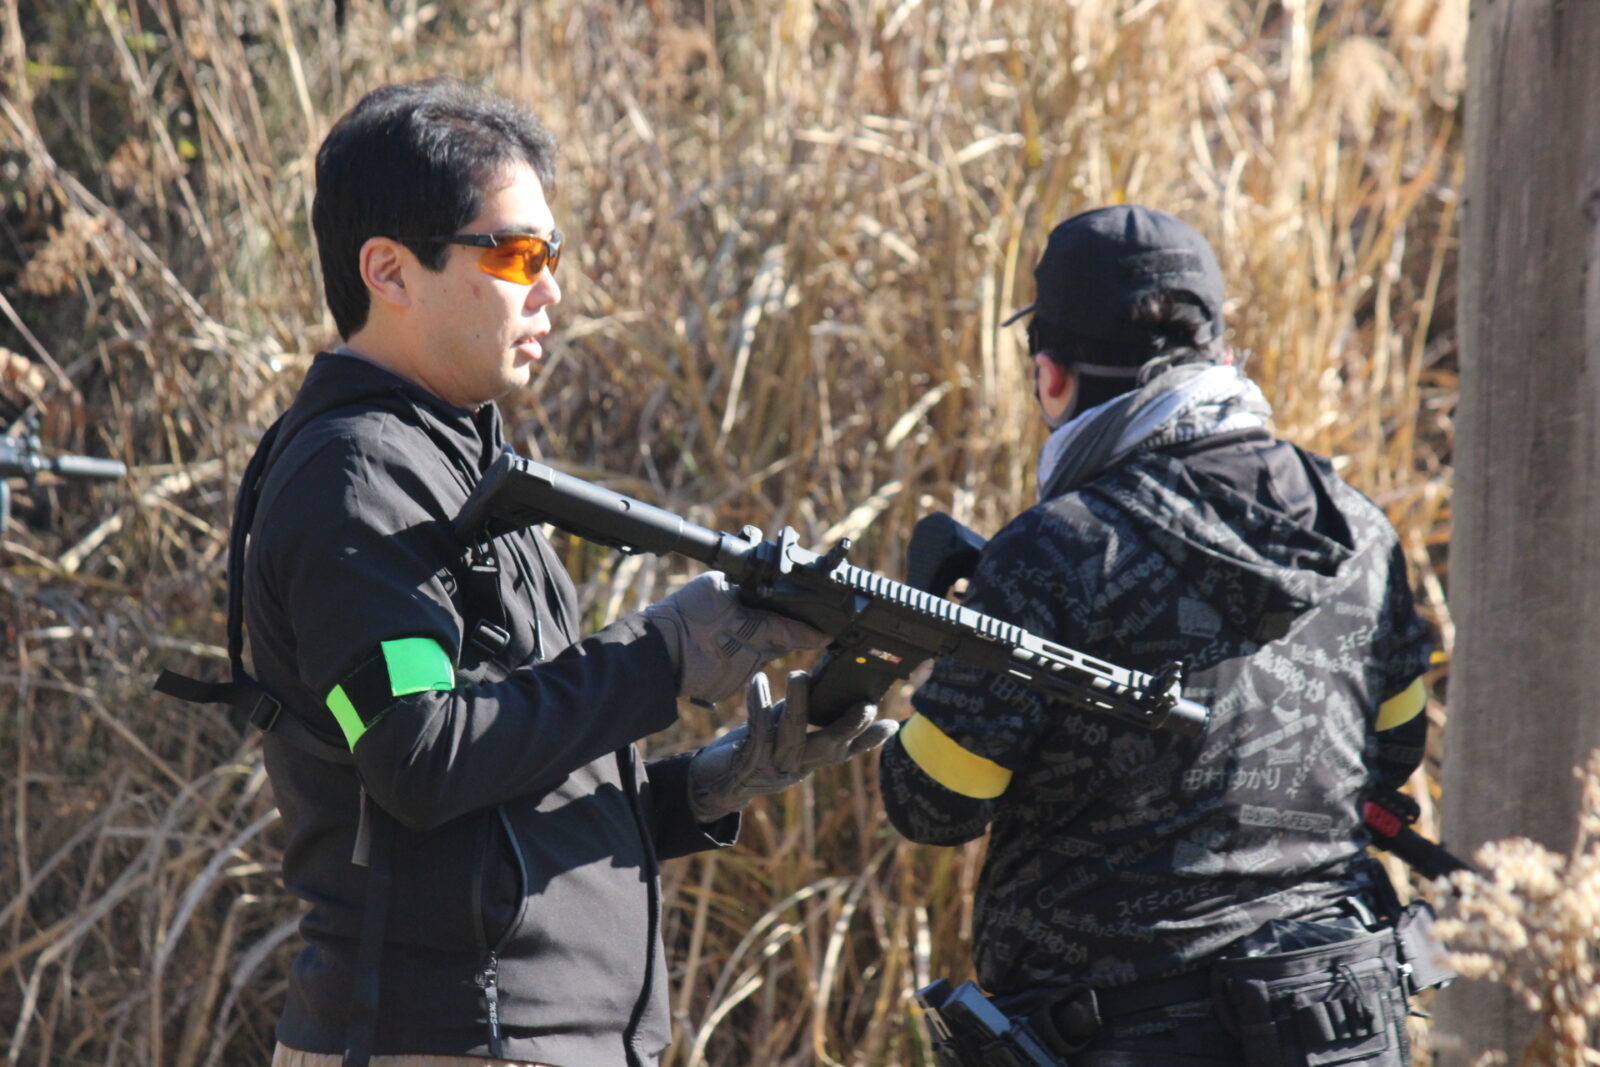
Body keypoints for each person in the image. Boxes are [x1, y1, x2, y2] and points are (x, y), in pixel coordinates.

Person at [181, 79, 895, 1067]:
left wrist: (707, 785)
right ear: (389, 270)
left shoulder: (458, 463)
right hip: (442, 1039)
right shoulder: (357, 477)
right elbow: (418, 756)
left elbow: (500, 809)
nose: (550, 286)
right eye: (517, 254)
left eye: (551, 255)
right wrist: (662, 654)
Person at [879, 205, 1438, 1064]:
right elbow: (1395, 748)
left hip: (1129, 1037)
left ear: (1051, 377)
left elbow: (932, 802)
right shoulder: (1356, 527)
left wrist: (915, 661)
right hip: (1341, 1026)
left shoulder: (1054, 550)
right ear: (1220, 353)